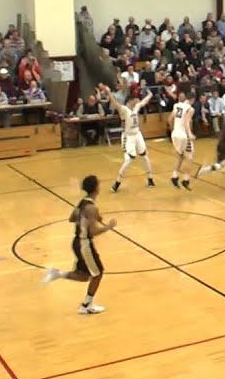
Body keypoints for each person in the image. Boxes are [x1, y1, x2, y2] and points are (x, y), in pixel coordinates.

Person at [43, 175, 116, 314]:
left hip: (77, 243)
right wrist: (108, 227)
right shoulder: (91, 208)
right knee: (98, 274)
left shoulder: (83, 202)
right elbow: (93, 231)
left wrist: (86, 217)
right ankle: (86, 306)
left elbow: (71, 218)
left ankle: (57, 273)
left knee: (84, 276)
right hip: (85, 245)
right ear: (96, 188)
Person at [106, 82, 155, 193]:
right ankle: (117, 182)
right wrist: (108, 92)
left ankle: (150, 178)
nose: (137, 101)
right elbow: (114, 102)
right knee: (129, 159)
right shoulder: (124, 110)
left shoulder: (136, 107)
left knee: (144, 156)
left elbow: (143, 102)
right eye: (135, 100)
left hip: (137, 134)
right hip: (128, 137)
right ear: (131, 100)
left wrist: (150, 95)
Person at [198, 115, 225, 181]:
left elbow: (219, 142)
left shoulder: (223, 131)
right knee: (219, 165)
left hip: (221, 148)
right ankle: (203, 171)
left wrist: (218, 152)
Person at [169, 88, 196, 190]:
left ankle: (174, 176)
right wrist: (190, 134)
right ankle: (186, 180)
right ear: (192, 99)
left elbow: (170, 119)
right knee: (189, 158)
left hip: (175, 134)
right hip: (184, 136)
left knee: (180, 156)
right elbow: (186, 121)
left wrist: (173, 130)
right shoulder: (190, 109)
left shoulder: (177, 105)